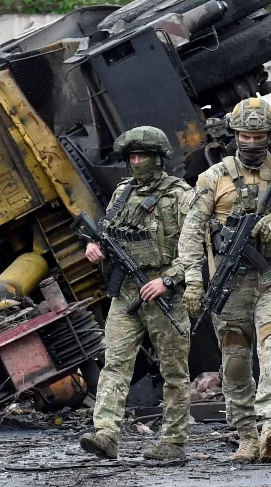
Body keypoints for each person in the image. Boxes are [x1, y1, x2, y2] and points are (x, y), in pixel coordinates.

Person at [176, 98, 271, 463]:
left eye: (259, 136)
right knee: (235, 363)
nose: (252, 143)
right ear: (234, 135)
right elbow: (191, 234)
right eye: (245, 135)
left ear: (270, 135)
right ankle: (245, 435)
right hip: (231, 284)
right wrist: (193, 281)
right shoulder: (213, 178)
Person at [79, 126, 193, 461]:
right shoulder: (122, 193)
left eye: (143, 155)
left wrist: (169, 280)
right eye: (132, 157)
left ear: (159, 159)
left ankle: (173, 443)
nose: (137, 162)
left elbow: (198, 248)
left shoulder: (181, 196)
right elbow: (106, 232)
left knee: (174, 371)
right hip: (126, 292)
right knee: (114, 363)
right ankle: (106, 434)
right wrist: (94, 247)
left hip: (164, 295)